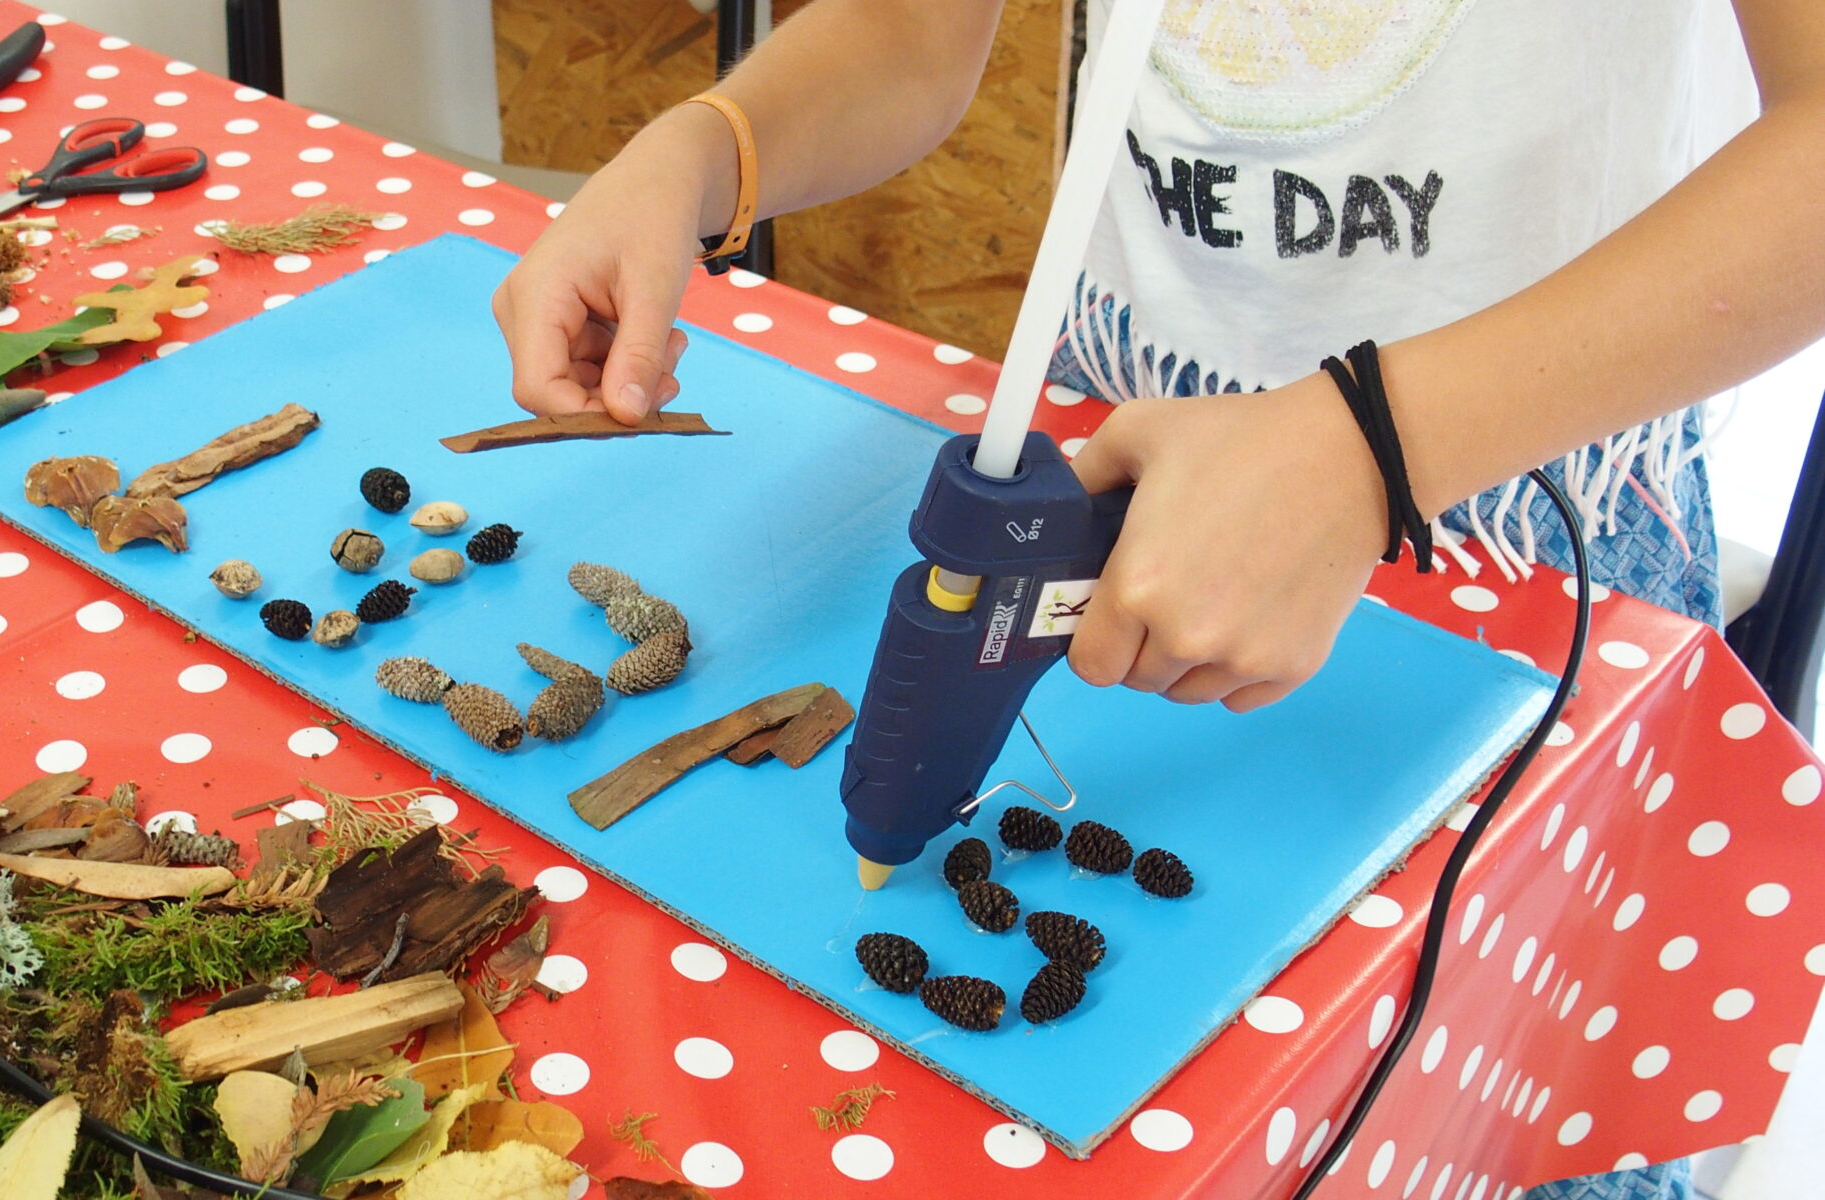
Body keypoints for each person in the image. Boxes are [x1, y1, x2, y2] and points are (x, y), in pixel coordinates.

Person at [492, 1, 1825, 1196]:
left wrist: (1375, 444)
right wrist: (707, 145)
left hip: (1518, 495)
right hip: (1116, 416)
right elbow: (908, 30)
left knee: (1459, 1108)